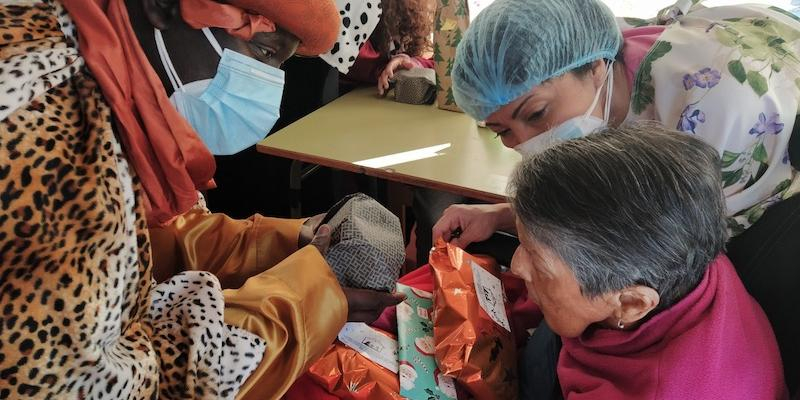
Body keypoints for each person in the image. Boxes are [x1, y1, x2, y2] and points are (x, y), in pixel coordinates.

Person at [0, 1, 401, 399]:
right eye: (263, 52)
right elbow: (111, 384)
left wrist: (291, 239)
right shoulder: (43, 131)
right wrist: (311, 301)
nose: (265, 85)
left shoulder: (101, 82)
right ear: (161, 7)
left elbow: (151, 239)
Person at [433, 0, 800, 392]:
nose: (525, 142)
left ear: (596, 68)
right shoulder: (581, 55)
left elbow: (657, 240)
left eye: (536, 114)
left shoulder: (713, 109)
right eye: (501, 131)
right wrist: (502, 215)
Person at [509, 123, 787, 399]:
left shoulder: (651, 391)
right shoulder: (680, 244)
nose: (516, 265)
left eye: (537, 262)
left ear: (631, 304)